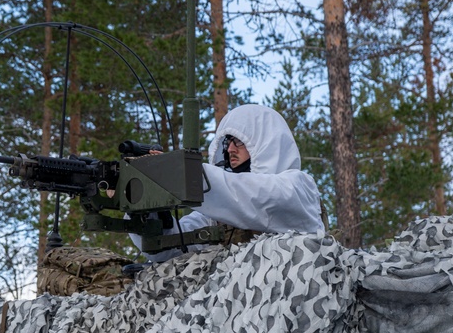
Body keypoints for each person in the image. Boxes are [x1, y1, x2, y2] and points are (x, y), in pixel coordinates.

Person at [132, 104, 324, 261]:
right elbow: (173, 246)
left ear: (265, 142)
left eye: (238, 141)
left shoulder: (299, 188)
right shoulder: (218, 212)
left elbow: (257, 197)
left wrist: (176, 171)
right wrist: (141, 198)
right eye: (227, 142)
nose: (230, 149)